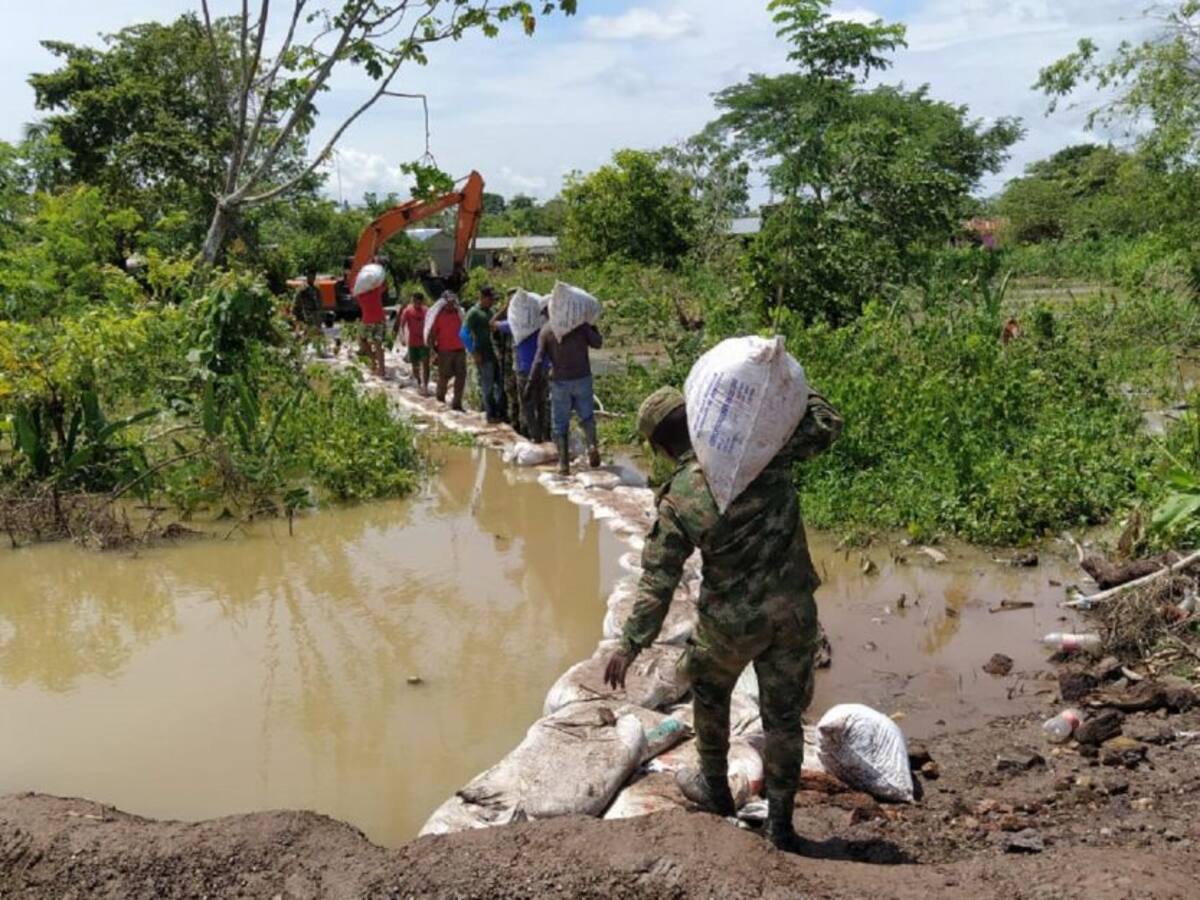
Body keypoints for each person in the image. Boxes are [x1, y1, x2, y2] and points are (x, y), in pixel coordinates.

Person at [603, 384, 843, 853]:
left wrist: (630, 644)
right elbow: (826, 424)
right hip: (794, 613)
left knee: (710, 694)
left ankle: (714, 790)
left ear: (658, 446)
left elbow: (658, 580)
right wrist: (789, 384)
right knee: (783, 720)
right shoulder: (762, 451)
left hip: (730, 623)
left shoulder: (681, 495)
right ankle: (781, 826)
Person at [531, 319, 602, 474]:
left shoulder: (547, 330)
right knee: (587, 418)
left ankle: (564, 465)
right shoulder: (579, 326)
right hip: (582, 377)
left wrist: (530, 383)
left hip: (560, 381)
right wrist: (593, 327)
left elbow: (539, 359)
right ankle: (591, 446)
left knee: (560, 424)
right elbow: (598, 343)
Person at [495, 302, 551, 442]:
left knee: (527, 404)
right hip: (543, 368)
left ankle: (534, 436)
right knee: (542, 403)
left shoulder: (516, 323)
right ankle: (545, 435)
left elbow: (492, 323)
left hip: (525, 370)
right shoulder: (543, 323)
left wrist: (507, 307)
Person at [464, 286, 505, 423]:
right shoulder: (474, 313)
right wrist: (474, 352)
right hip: (483, 354)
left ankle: (498, 412)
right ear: (482, 297)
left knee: (499, 384)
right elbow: (463, 334)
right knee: (487, 386)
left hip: (493, 354)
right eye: (490, 299)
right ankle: (490, 414)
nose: (492, 301)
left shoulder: (490, 311)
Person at [429, 292, 467, 411]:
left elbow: (466, 329)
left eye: (453, 301)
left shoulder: (460, 314)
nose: (451, 304)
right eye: (449, 301)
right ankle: (440, 399)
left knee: (461, 377)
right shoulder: (438, 316)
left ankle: (457, 403)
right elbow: (432, 334)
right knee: (444, 377)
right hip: (444, 351)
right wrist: (433, 352)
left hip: (460, 349)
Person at [356, 264, 388, 378]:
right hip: (380, 320)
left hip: (367, 321)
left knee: (362, 340)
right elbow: (385, 284)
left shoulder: (360, 295)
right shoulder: (376, 291)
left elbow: (354, 289)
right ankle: (382, 370)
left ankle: (373, 361)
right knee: (378, 345)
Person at [397, 292, 431, 395]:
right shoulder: (408, 310)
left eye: (418, 302)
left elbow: (432, 325)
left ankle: (425, 385)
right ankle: (419, 382)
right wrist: (402, 337)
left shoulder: (427, 311)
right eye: (414, 301)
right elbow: (402, 325)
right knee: (415, 365)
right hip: (412, 342)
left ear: (422, 301)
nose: (416, 304)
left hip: (425, 342)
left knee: (425, 363)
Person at [291, 269, 324, 336]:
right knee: (307, 333)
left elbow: (320, 302)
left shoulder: (316, 289)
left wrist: (321, 312)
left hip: (316, 315)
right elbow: (296, 302)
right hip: (307, 314)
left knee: (316, 332)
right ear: (307, 277)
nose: (312, 278)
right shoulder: (303, 289)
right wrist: (296, 313)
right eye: (311, 276)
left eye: (313, 276)